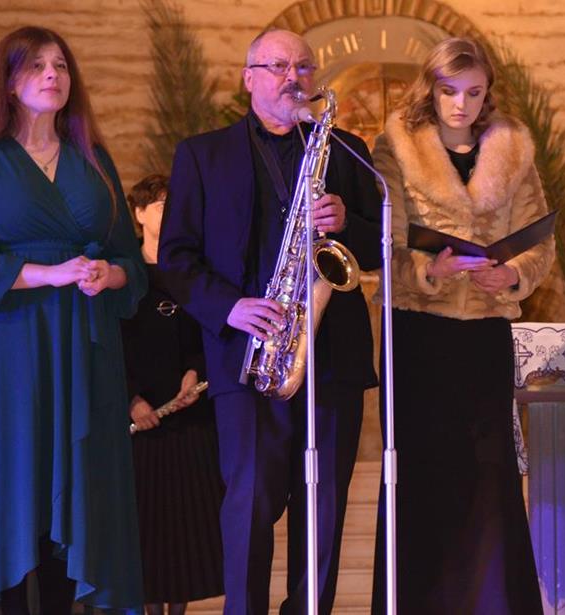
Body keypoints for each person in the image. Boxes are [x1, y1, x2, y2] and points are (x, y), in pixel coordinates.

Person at [157, 28, 381, 615]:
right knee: (249, 504)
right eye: (278, 66)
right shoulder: (201, 155)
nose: (293, 78)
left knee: (323, 510)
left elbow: (380, 247)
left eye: (303, 67)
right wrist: (230, 307)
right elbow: (175, 259)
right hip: (246, 357)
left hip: (331, 362)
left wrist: (348, 223)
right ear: (248, 77)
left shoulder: (347, 150)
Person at [0, 26, 147, 614]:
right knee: (17, 480)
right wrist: (52, 274)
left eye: (61, 65)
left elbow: (130, 262)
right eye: (36, 66)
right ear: (7, 83)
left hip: (86, 345)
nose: (52, 74)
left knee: (81, 486)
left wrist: (109, 274)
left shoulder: (93, 159)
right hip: (13, 347)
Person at [369, 37, 553, 614]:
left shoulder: (513, 146)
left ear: (487, 92)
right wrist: (432, 269)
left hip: (484, 337)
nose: (461, 105)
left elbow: (539, 242)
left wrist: (513, 275)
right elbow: (382, 247)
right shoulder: (396, 144)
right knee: (421, 472)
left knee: (490, 475)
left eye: (473, 93)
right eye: (449, 91)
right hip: (419, 334)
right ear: (431, 87)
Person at [120, 174, 225, 615]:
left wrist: (195, 372)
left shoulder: (192, 269)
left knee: (185, 526)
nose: (170, 212)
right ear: (139, 213)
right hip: (139, 425)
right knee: (146, 527)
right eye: (161, 204)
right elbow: (107, 346)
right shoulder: (122, 273)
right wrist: (131, 400)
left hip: (188, 418)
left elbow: (210, 330)